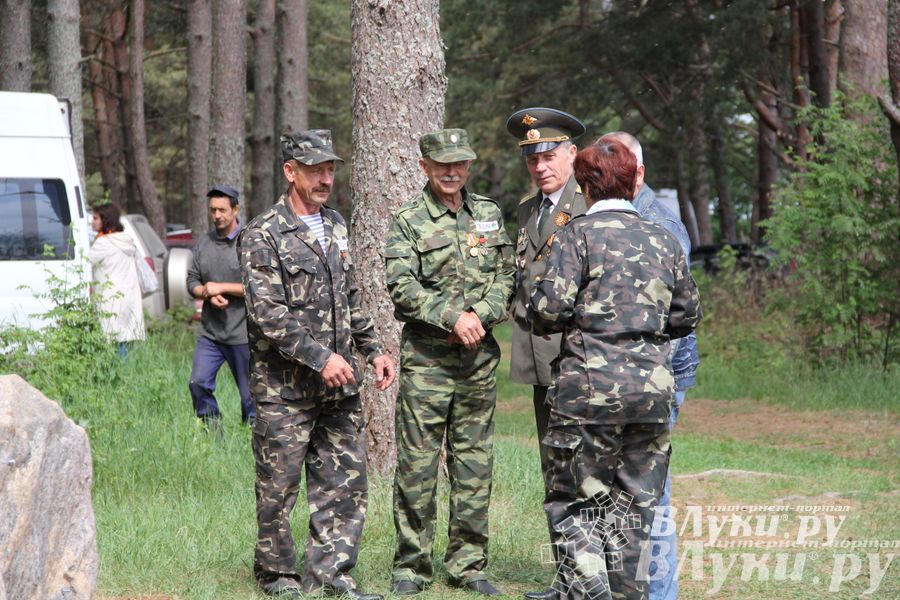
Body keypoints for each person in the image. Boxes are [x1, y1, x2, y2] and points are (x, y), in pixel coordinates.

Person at [528, 140, 701, 600]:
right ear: (632, 181)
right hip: (650, 396)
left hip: (588, 395)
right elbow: (687, 314)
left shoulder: (576, 236)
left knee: (577, 507)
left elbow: (546, 310)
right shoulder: (662, 237)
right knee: (635, 513)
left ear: (585, 186)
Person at [238, 129, 396, 600]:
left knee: (344, 484)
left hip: (339, 387)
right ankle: (278, 576)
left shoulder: (336, 225)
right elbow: (267, 315)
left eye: (330, 169)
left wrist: (374, 349)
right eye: (315, 170)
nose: (326, 178)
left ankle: (333, 575)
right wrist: (320, 357)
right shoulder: (262, 233)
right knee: (279, 487)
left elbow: (348, 298)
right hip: (284, 390)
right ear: (291, 172)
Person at [384, 129, 515, 597]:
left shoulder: (488, 215)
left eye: (459, 163)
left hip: (478, 362)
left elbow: (506, 274)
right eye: (442, 165)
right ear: (424, 167)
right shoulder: (408, 221)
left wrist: (480, 315)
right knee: (417, 467)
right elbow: (401, 286)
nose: (451, 172)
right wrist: (452, 317)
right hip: (427, 364)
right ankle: (411, 566)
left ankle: (468, 564)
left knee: (474, 465)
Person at [599, 132, 699, 600]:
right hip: (622, 381)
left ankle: (659, 593)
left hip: (657, 379)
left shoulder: (661, 222)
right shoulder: (611, 214)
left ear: (638, 170)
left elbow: (681, 314)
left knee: (652, 499)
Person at [505, 107, 587, 600]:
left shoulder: (591, 204)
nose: (541, 165)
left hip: (580, 364)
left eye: (550, 154)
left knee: (586, 474)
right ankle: (567, 579)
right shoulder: (527, 211)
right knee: (555, 472)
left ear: (573, 154)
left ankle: (595, 578)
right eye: (532, 158)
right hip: (541, 365)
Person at [186, 184, 254, 429]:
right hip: (211, 335)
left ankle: (251, 441)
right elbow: (192, 280)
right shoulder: (204, 243)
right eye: (213, 210)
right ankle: (212, 434)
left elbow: (258, 288)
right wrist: (206, 292)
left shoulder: (249, 242)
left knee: (250, 399)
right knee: (198, 383)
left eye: (222, 210)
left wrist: (221, 287)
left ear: (235, 209)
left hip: (243, 335)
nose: (217, 215)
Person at [90, 202, 145, 357]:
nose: (92, 221)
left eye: (95, 218)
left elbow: (84, 263)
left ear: (104, 220)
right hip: (128, 297)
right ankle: (125, 377)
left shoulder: (103, 243)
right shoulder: (125, 240)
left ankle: (118, 379)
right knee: (123, 342)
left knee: (112, 344)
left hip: (110, 300)